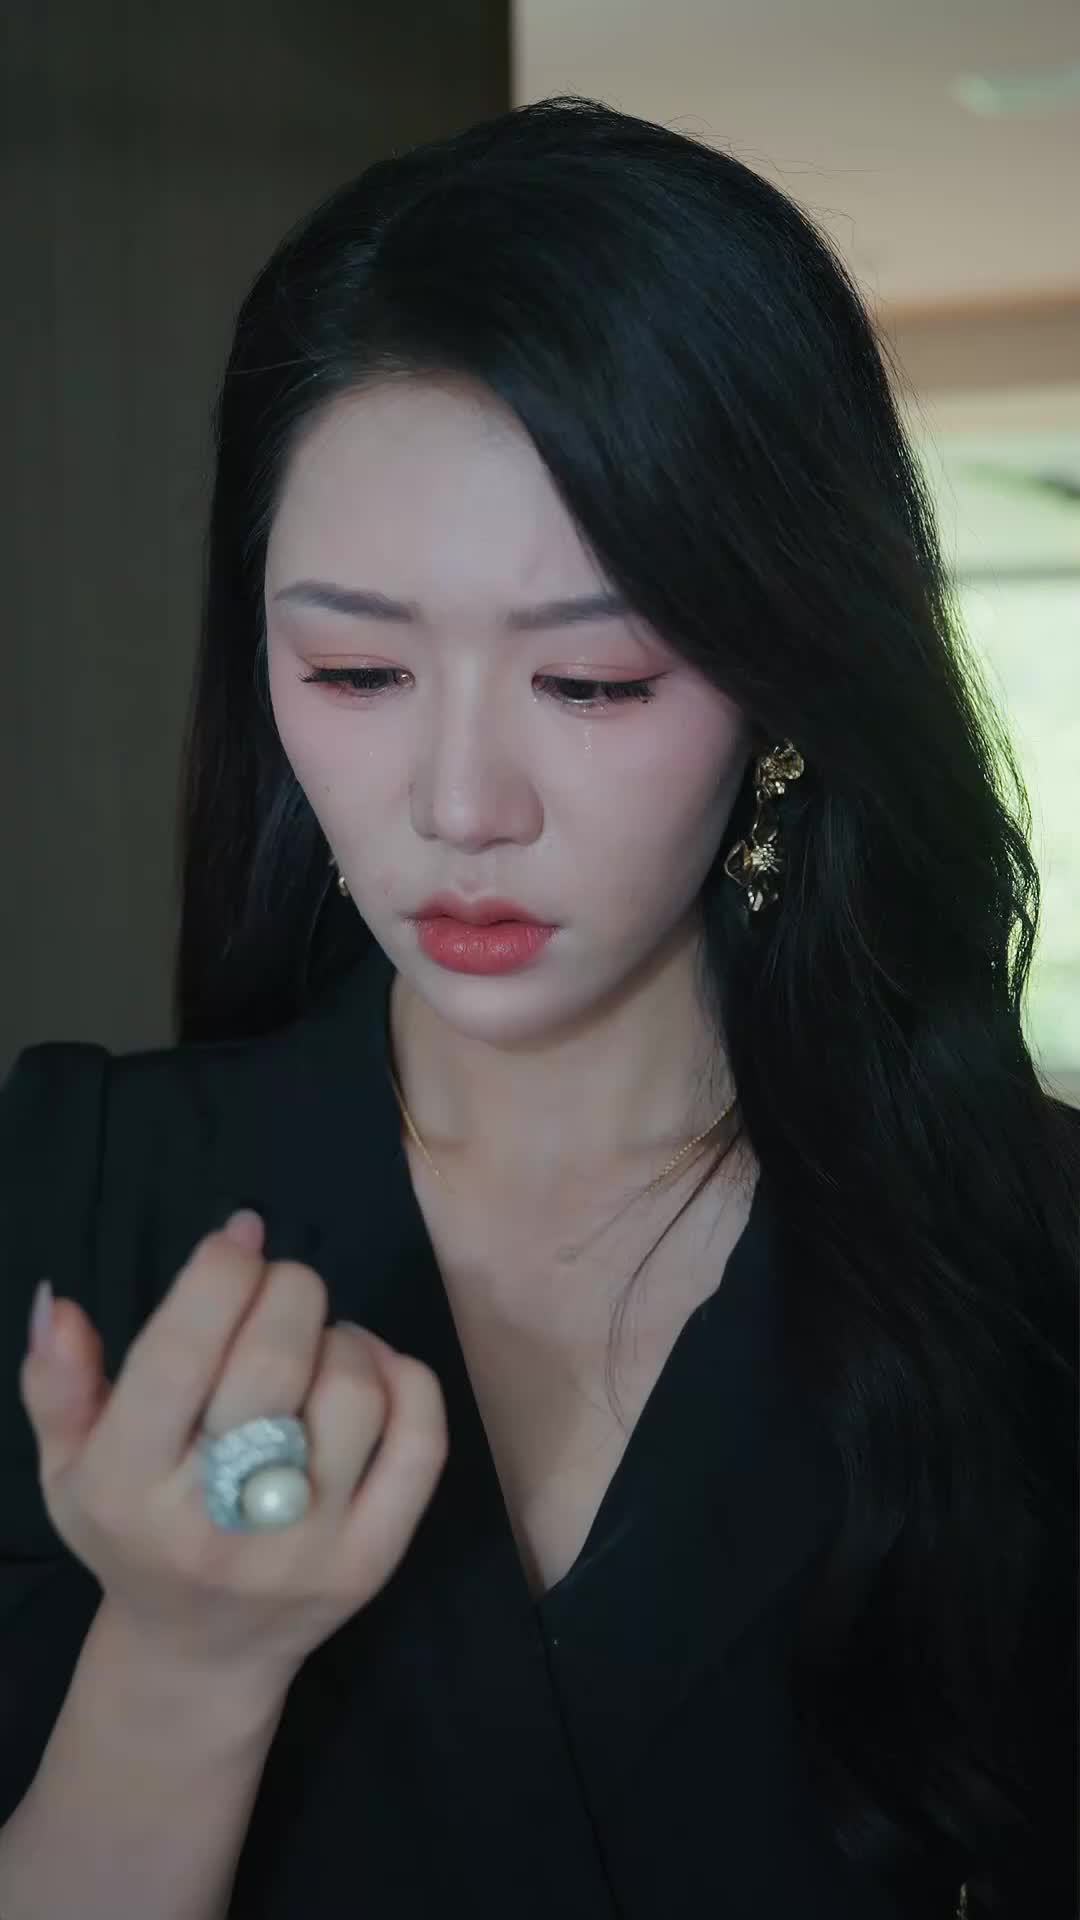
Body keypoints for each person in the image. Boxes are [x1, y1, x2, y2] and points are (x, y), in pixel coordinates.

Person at [0, 94, 1075, 1920]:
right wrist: (179, 1670)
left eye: (592, 681)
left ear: (790, 679)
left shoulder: (1031, 1252)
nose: (460, 805)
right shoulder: (63, 1197)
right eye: (356, 667)